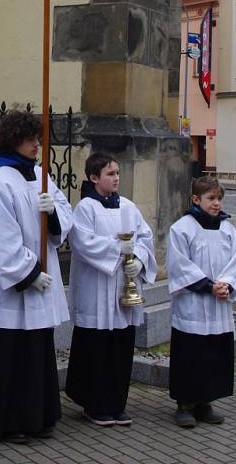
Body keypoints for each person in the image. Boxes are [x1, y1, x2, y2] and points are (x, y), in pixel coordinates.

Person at [0, 110, 73, 443]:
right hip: (14, 288)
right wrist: (29, 272)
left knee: (36, 353)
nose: (37, 144)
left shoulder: (41, 177)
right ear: (14, 141)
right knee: (9, 355)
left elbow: (64, 215)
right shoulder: (0, 184)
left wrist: (53, 213)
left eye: (38, 138)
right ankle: (7, 421)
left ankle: (38, 415)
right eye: (30, 139)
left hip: (40, 281)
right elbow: (0, 240)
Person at [65, 152, 157, 426]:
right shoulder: (86, 208)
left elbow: (145, 237)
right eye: (110, 173)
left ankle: (117, 402)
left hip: (122, 289)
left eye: (117, 173)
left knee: (120, 347)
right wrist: (119, 250)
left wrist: (138, 261)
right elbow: (83, 243)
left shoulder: (128, 206)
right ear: (94, 178)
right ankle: (94, 404)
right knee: (96, 349)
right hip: (97, 289)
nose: (116, 178)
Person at [166, 176, 236, 428]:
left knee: (213, 354)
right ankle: (185, 404)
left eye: (219, 198)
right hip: (194, 304)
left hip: (218, 302)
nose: (217, 204)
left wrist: (227, 286)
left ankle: (206, 402)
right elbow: (179, 266)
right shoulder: (182, 228)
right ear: (196, 200)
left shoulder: (227, 229)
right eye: (211, 199)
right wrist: (209, 286)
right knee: (191, 354)